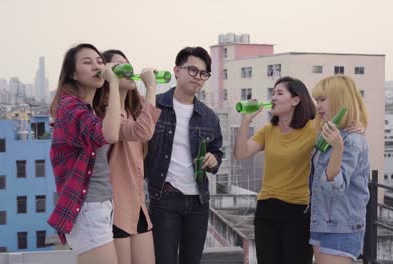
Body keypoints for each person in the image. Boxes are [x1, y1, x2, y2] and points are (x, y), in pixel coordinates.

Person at [144, 46, 223, 264]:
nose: (198, 77)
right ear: (176, 70)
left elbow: (217, 151)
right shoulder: (154, 105)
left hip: (198, 202)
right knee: (164, 260)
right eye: (192, 70)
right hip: (164, 198)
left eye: (204, 73)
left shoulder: (209, 117)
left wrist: (214, 159)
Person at [48, 43, 121, 264]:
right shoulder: (70, 107)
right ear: (73, 74)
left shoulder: (86, 108)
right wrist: (115, 85)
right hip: (88, 207)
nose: (96, 66)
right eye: (87, 62)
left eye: (99, 61)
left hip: (99, 206)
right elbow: (110, 134)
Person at [234, 76, 316, 264]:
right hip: (267, 209)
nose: (274, 98)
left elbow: (334, 125)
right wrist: (246, 120)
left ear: (296, 100)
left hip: (298, 210)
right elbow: (241, 153)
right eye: (273, 93)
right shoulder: (268, 130)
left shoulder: (312, 129)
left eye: (280, 93)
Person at [93, 49, 161, 264]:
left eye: (129, 64)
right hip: (115, 209)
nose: (129, 70)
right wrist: (151, 86)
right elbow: (143, 131)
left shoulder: (131, 112)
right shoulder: (106, 115)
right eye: (121, 66)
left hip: (137, 205)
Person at [309, 75, 370, 264]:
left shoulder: (351, 141)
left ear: (339, 100)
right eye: (316, 100)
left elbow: (334, 188)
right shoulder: (329, 134)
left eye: (322, 100)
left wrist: (338, 148)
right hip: (322, 222)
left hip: (342, 227)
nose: (318, 105)